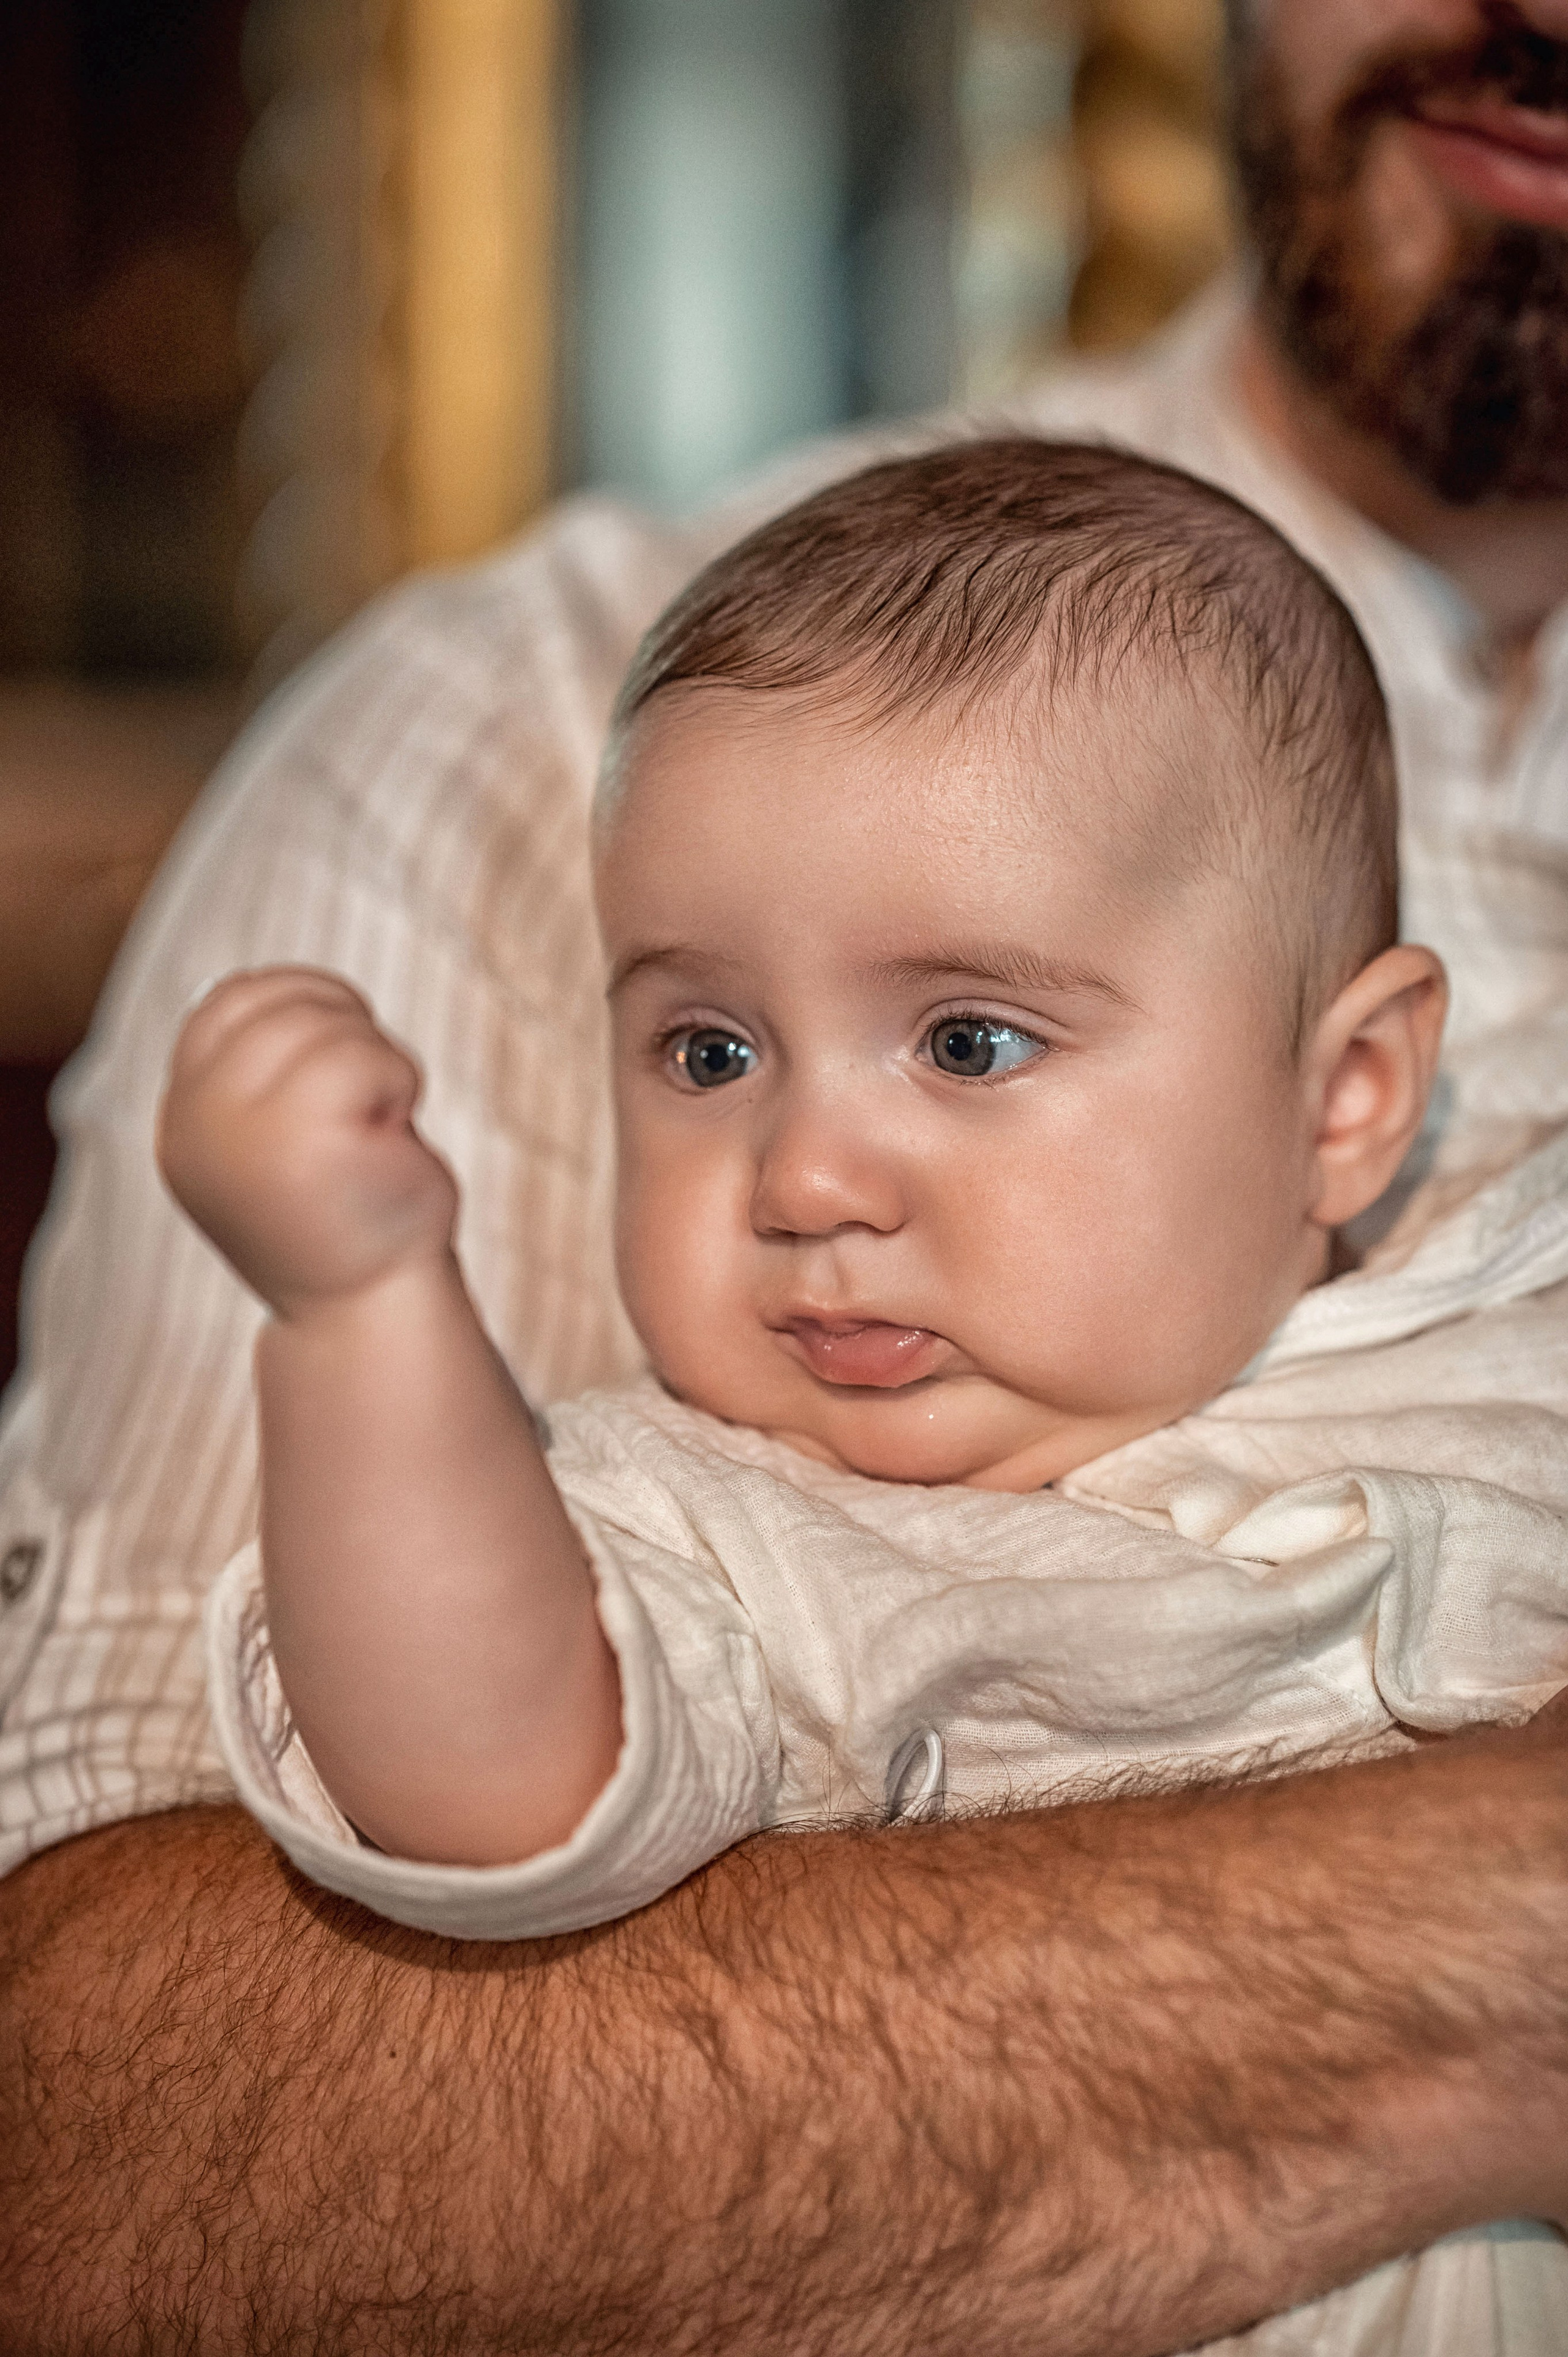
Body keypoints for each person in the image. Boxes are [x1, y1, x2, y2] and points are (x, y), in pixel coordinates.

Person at [4, 3, 1568, 2351]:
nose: (810, 1166)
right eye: (708, 1051)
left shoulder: (1501, 1328)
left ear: (1353, 1105)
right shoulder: (753, 1534)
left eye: (968, 1041)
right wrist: (365, 1322)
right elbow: (439, 1815)